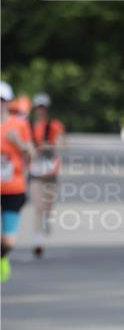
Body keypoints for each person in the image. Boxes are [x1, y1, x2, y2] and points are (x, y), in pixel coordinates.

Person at [1, 82, 32, 282]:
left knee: (9, 241)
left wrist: (18, 143)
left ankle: (2, 258)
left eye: (1, 100)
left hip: (13, 187)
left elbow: (32, 154)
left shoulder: (19, 125)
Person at [29, 93, 66, 258]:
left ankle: (47, 216)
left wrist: (50, 145)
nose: (40, 110)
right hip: (35, 169)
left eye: (43, 107)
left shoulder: (54, 125)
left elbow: (62, 142)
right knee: (38, 207)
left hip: (51, 169)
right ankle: (38, 242)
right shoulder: (29, 126)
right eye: (38, 107)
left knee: (48, 204)